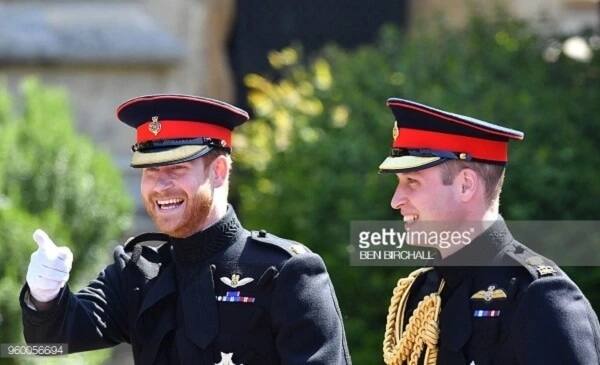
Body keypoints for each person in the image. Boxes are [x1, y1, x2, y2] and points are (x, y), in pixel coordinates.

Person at [20, 94, 352, 365]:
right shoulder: (139, 274)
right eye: (149, 171)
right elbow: (51, 343)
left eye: (176, 168)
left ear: (219, 171)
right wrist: (45, 296)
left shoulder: (285, 273)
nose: (160, 186)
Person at [378, 98, 600, 364]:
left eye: (412, 182)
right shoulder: (421, 291)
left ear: (465, 185)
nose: (396, 200)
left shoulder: (539, 296)